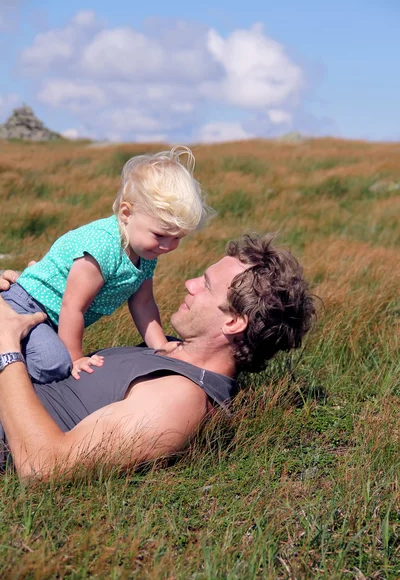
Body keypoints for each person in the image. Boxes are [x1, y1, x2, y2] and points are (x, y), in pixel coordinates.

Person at [0, 234, 316, 480]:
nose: (189, 285)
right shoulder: (171, 352)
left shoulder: (180, 399)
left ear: (233, 321)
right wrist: (29, 295)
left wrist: (7, 346)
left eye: (205, 285)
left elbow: (44, 467)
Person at [2, 146, 213, 381]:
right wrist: (74, 358)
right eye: (159, 234)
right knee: (52, 365)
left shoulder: (146, 253)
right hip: (27, 305)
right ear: (126, 213)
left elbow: (143, 304)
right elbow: (73, 306)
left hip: (52, 320)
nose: (167, 246)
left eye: (177, 238)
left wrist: (161, 346)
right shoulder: (103, 246)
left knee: (50, 360)